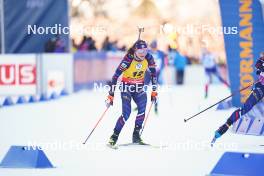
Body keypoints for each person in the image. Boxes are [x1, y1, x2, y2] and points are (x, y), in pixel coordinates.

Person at [105, 40, 158, 147]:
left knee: (142, 110)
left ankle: (136, 136)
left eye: (145, 50)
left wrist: (154, 91)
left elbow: (153, 75)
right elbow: (115, 77)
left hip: (139, 87)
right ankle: (113, 137)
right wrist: (111, 95)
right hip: (126, 87)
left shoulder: (149, 58)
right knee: (126, 114)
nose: (143, 53)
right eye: (140, 50)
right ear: (135, 50)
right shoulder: (128, 59)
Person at [214, 53, 264, 140]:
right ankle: (226, 125)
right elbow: (257, 64)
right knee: (246, 107)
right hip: (261, 87)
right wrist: (261, 69)